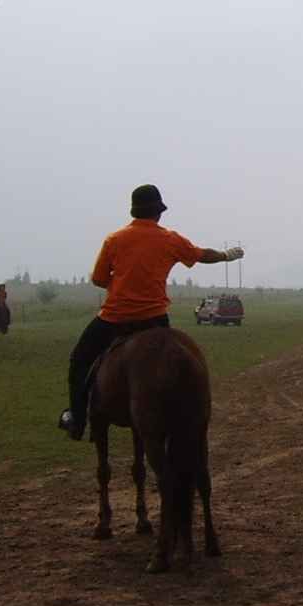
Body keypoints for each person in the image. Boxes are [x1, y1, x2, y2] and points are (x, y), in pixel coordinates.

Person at [58, 184, 244, 440]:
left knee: (79, 360)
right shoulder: (171, 239)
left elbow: (99, 279)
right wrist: (226, 255)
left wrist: (120, 281)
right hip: (154, 320)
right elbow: (202, 255)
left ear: (134, 212)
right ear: (159, 213)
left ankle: (77, 419)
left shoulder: (114, 240)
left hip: (115, 318)